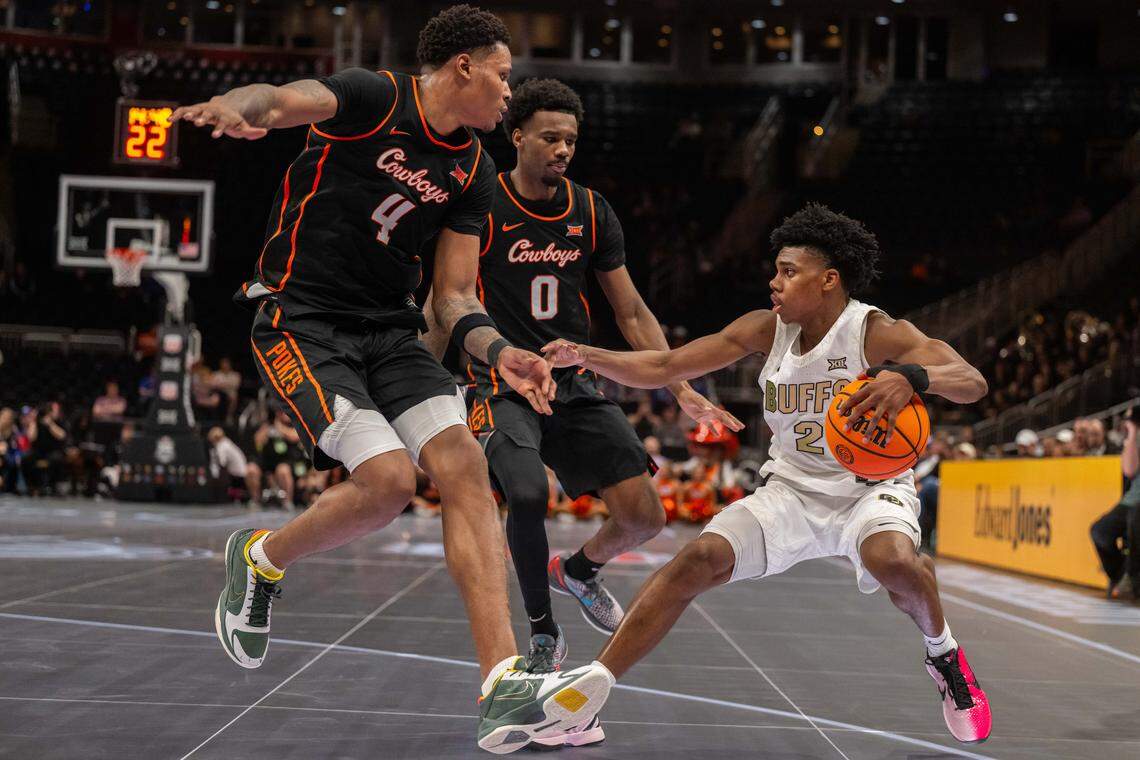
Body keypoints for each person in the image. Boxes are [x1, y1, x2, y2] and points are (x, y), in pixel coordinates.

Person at [476, 203, 994, 751]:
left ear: (828, 280)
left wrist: (912, 377)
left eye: (788, 271)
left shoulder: (876, 331)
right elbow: (664, 366)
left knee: (893, 561)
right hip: (791, 489)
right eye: (776, 270)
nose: (774, 282)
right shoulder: (765, 329)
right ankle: (587, 698)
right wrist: (581, 354)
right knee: (696, 559)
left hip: (868, 489)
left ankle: (944, 656)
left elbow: (971, 381)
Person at [174, 5, 560, 731]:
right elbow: (281, 102)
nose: (511, 93)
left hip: (390, 330)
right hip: (303, 319)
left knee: (466, 466)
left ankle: (503, 685)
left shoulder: (475, 170)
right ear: (464, 67)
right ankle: (260, 558)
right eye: (504, 76)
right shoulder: (374, 97)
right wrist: (236, 107)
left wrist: (502, 352)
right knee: (387, 485)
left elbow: (453, 297)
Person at [423, 79, 725, 677]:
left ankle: (580, 571)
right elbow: (444, 302)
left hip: (574, 381)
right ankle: (542, 631)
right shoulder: (482, 203)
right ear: (517, 137)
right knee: (527, 494)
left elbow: (631, 311)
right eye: (550, 138)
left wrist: (681, 386)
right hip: (501, 381)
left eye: (571, 139)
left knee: (645, 516)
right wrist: (421, 385)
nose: (563, 149)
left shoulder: (589, 211)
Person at [1089, 407, 1139, 600]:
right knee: (1099, 531)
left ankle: (1131, 579)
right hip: (1132, 499)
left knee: (1135, 521)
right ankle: (1120, 576)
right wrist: (1132, 433)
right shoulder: (1135, 438)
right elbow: (1129, 470)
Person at [208, 426, 262, 506]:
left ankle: (225, 496)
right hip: (239, 470)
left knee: (217, 474)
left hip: (238, 472)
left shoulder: (222, 445)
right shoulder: (227, 442)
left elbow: (222, 463)